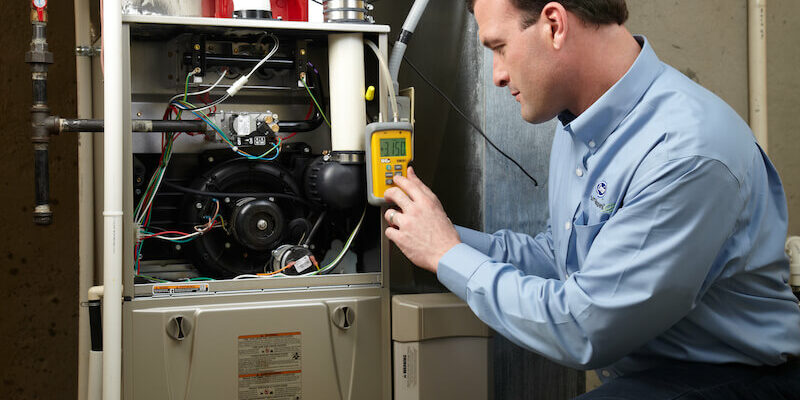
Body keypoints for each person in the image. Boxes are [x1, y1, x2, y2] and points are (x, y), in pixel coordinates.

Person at [382, 0, 800, 398]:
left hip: (741, 378)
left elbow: (585, 327)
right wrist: (438, 234)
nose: (498, 75)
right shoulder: (579, 125)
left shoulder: (685, 153)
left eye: (500, 48)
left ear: (554, 25)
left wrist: (447, 255)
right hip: (659, 377)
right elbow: (560, 258)